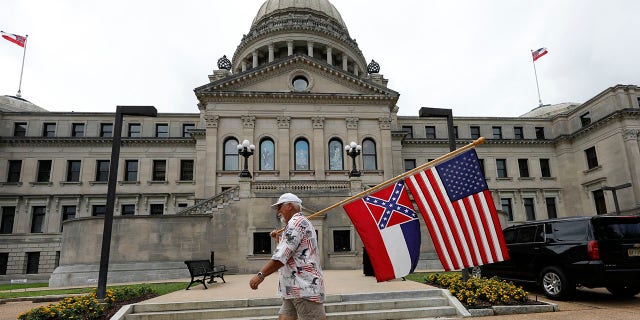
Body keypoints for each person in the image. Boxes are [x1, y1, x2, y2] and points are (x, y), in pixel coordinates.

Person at [249, 193, 326, 320]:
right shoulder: (301, 223)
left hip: (303, 288)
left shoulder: (294, 224)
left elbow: (281, 257)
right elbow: (294, 253)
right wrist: (279, 240)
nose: (278, 212)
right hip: (293, 288)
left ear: (289, 206)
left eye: (280, 207)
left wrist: (260, 275)